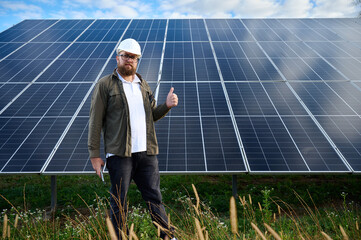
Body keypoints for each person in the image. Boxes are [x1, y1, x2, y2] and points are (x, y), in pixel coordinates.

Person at [88, 38, 178, 240]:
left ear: (137, 60)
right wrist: (94, 154)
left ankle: (167, 237)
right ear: (118, 57)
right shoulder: (105, 85)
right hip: (120, 154)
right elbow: (95, 120)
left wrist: (167, 105)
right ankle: (119, 237)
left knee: (154, 198)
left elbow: (152, 115)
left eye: (134, 57)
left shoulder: (143, 84)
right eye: (126, 56)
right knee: (119, 201)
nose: (129, 60)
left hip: (146, 153)